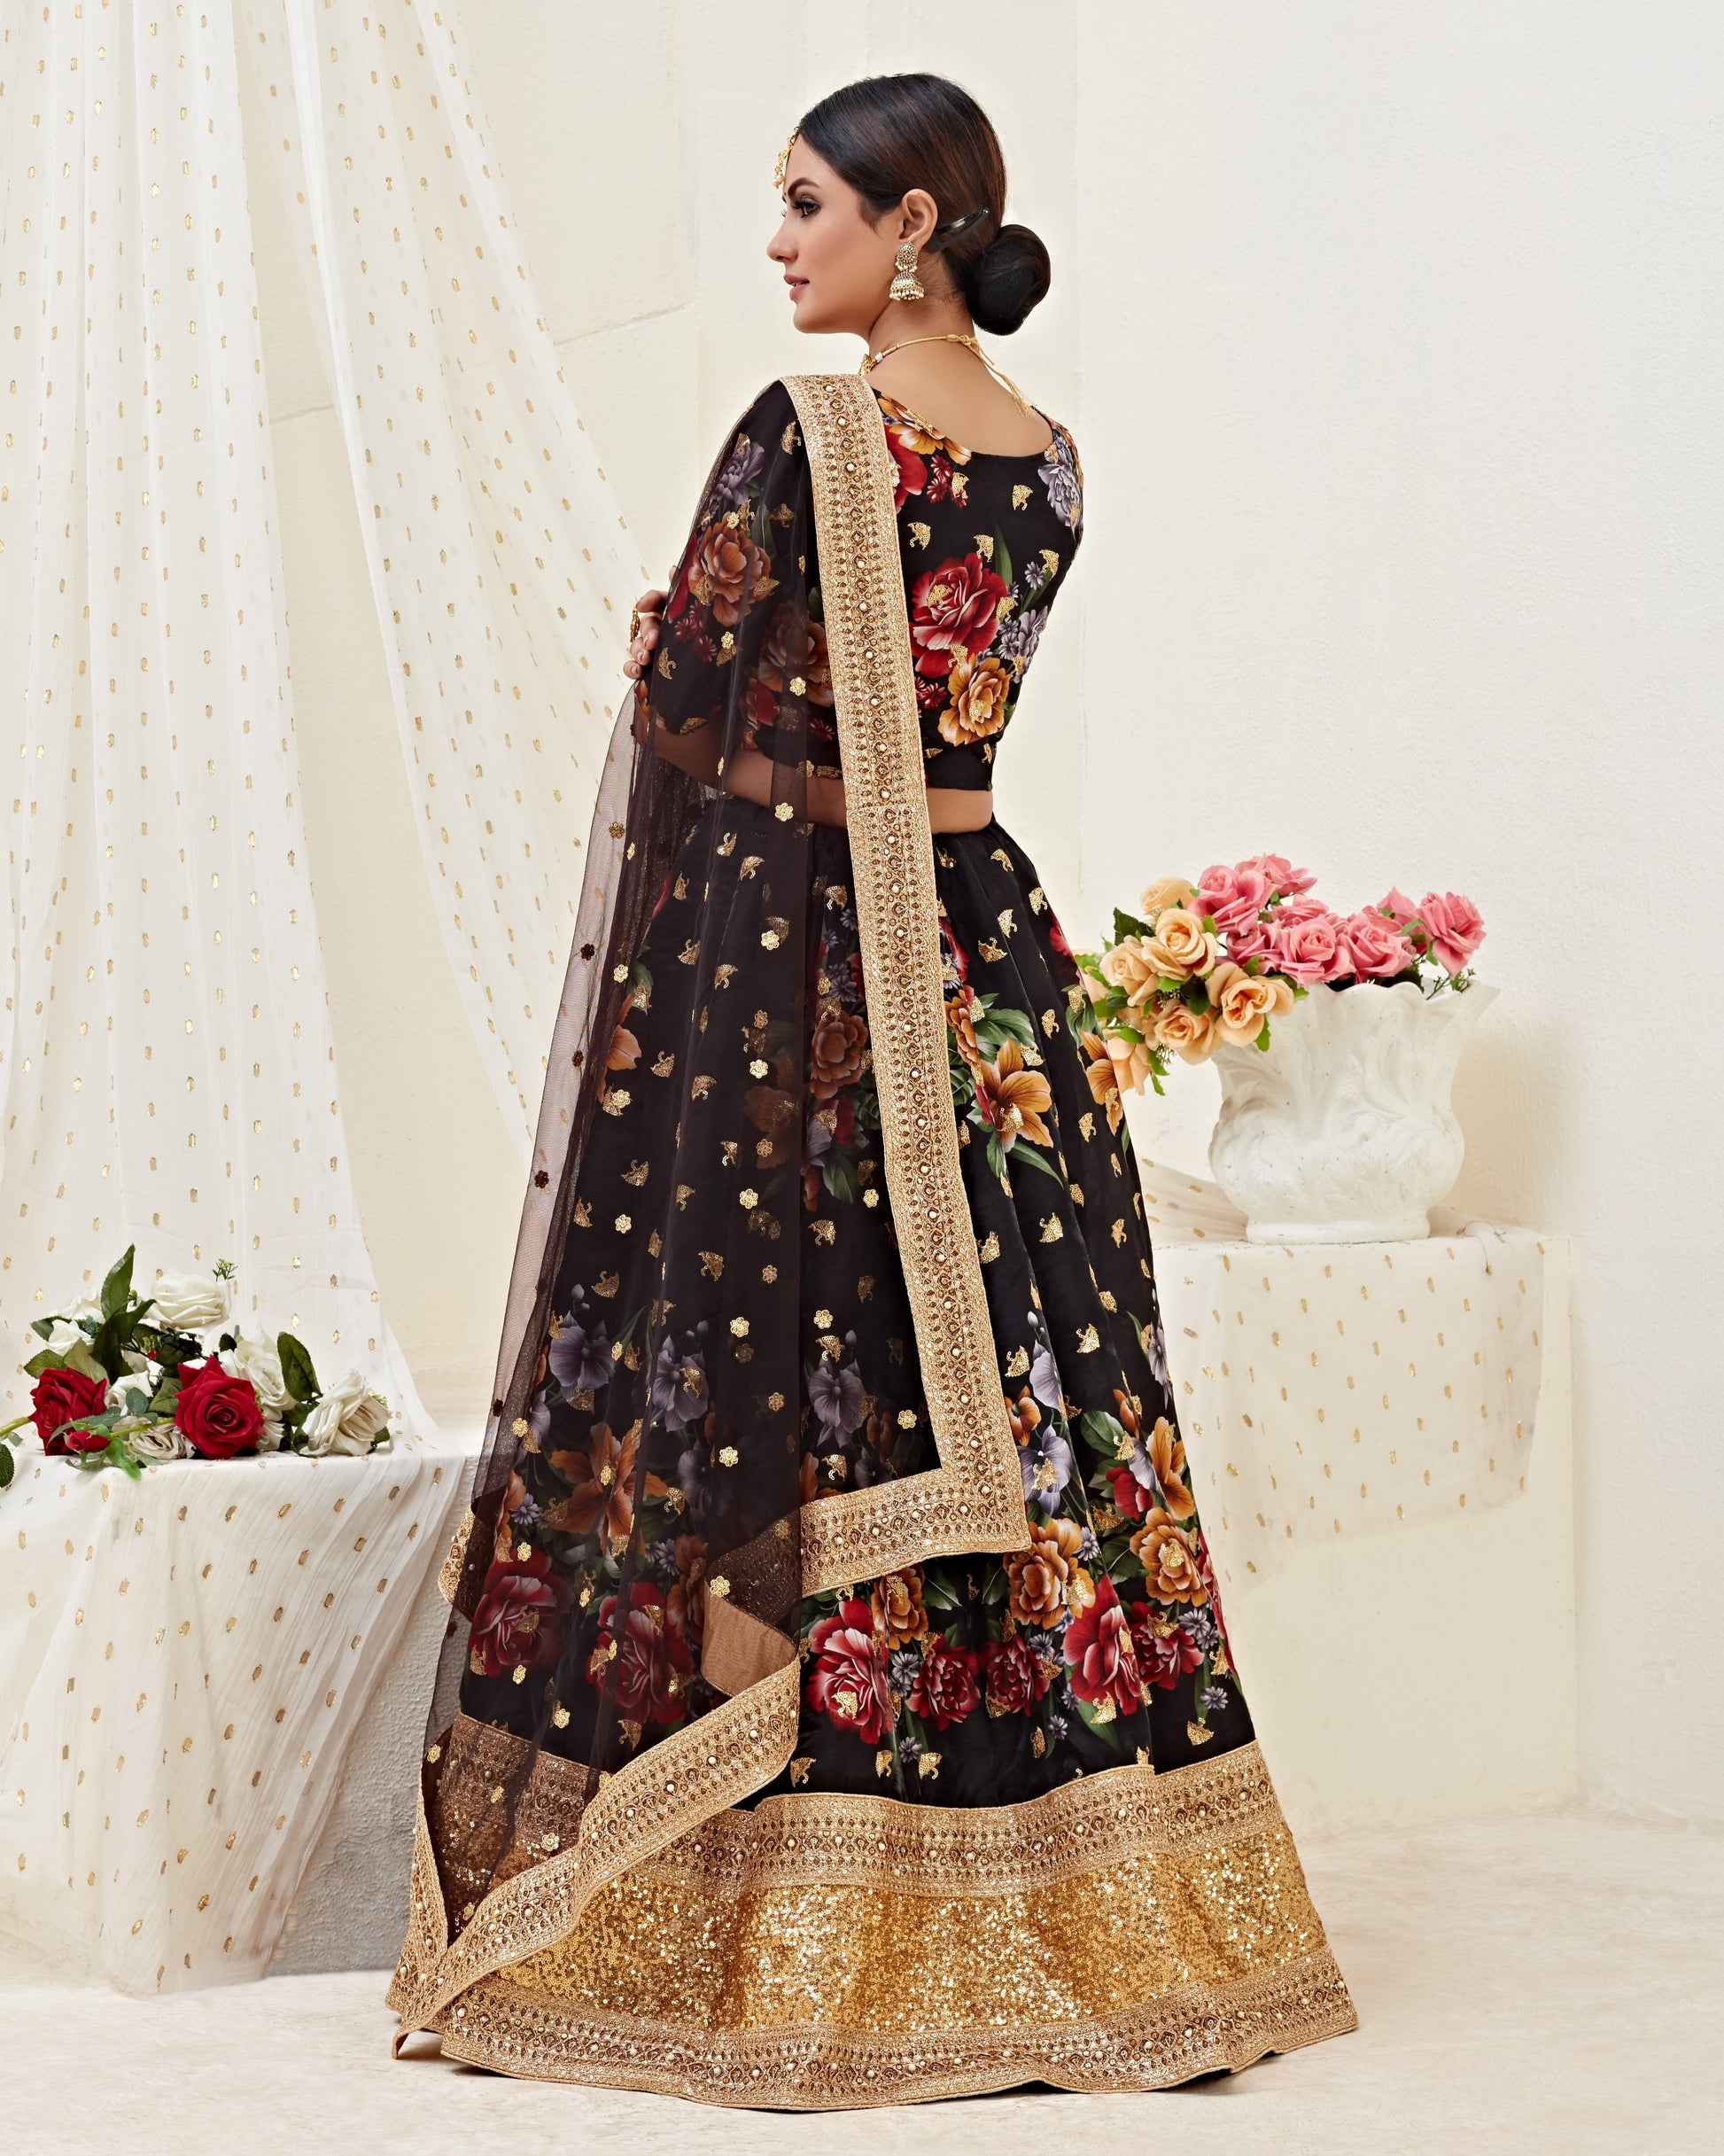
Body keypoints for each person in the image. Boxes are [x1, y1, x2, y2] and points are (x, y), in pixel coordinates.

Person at [388, 73, 1357, 2105]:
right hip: (990, 978)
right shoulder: (1056, 460)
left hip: (827, 979)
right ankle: (1084, 1879)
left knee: (832, 1364)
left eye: (808, 204)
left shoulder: (810, 430)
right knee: (1032, 1388)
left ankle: (782, 1904)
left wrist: (673, 681)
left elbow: (703, 711)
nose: (778, 244)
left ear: (912, 224)